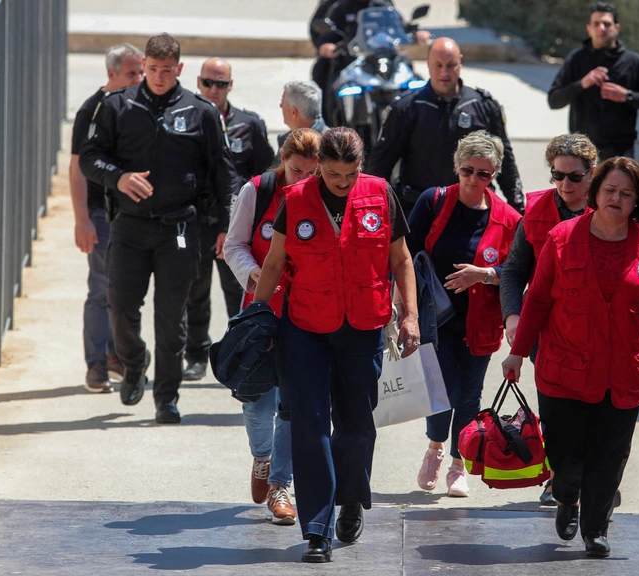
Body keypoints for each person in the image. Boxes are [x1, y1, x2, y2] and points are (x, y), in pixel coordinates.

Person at [501, 157, 639, 558]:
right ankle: (567, 497)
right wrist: (518, 352)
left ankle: (596, 528)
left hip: (623, 372)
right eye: (610, 190)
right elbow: (536, 298)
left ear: (637, 201)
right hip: (564, 370)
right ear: (595, 194)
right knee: (567, 457)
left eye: (626, 193)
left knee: (609, 455)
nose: (617, 199)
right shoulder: (561, 237)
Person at [251, 127, 419, 563]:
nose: (342, 182)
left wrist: (412, 316)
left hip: (362, 326)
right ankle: (318, 527)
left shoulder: (381, 194)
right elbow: (274, 261)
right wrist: (254, 315)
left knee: (356, 423)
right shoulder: (297, 199)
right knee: (309, 423)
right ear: (320, 165)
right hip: (305, 327)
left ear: (361, 166)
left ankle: (350, 498)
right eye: (332, 174)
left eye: (349, 173)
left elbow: (400, 259)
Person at [79, 33, 240, 424]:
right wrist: (118, 178)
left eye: (167, 70)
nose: (158, 76)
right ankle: (134, 363)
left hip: (179, 229)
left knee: (172, 317)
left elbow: (223, 173)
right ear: (145, 67)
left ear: (179, 69)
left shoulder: (199, 111)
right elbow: (89, 159)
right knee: (120, 307)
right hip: (130, 226)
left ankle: (166, 398)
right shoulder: (119, 106)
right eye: (152, 69)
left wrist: (224, 226)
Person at [405, 130, 521, 498]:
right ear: (457, 167)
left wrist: (483, 275)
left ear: (495, 175)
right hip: (434, 320)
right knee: (441, 392)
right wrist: (401, 305)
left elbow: (518, 272)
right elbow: (404, 254)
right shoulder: (433, 202)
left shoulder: (508, 219)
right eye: (468, 170)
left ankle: (459, 465)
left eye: (483, 174)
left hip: (479, 324)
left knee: (469, 395)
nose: (474, 179)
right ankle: (435, 449)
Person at [222, 129, 323, 526]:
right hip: (262, 314)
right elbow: (233, 245)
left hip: (307, 314)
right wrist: (254, 276)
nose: (303, 180)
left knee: (293, 405)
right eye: (296, 170)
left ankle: (281, 484)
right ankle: (261, 457)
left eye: (311, 173)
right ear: (282, 161)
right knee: (257, 404)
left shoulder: (323, 194)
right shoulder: (258, 192)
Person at [498, 133, 597, 506]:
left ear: (592, 174)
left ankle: (595, 477)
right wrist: (512, 317)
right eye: (557, 175)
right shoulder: (536, 210)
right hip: (547, 329)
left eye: (575, 177)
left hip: (595, 326)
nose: (565, 185)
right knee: (556, 408)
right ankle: (558, 478)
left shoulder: (609, 207)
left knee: (594, 410)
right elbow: (513, 271)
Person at [183, 57, 276, 381]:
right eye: (208, 82)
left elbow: (268, 173)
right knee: (195, 291)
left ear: (230, 86)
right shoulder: (187, 118)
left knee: (239, 290)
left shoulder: (248, 124)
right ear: (198, 82)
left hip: (236, 225)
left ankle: (242, 348)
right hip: (196, 220)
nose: (213, 89)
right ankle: (196, 353)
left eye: (220, 84)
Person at [369, 37, 525, 215]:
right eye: (438, 65)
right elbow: (380, 167)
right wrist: (376, 211)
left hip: (473, 211)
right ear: (428, 64)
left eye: (451, 65)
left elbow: (505, 160)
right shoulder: (406, 108)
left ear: (460, 62)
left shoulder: (483, 105)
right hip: (420, 211)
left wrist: (517, 207)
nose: (445, 72)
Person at [69, 43, 143, 392]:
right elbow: (77, 168)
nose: (139, 79)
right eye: (132, 73)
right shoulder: (92, 111)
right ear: (111, 74)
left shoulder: (138, 105)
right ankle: (97, 364)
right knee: (101, 288)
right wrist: (81, 219)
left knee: (125, 291)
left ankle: (118, 356)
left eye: (140, 71)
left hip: (132, 214)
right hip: (101, 213)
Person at [547, 2, 639, 160]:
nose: (601, 28)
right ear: (589, 28)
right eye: (596, 24)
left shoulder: (633, 62)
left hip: (620, 150)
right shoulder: (576, 59)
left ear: (617, 28)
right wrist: (583, 83)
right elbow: (554, 100)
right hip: (581, 150)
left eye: (607, 24)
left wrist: (627, 96)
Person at [278, 80, 329, 151]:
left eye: (282, 102)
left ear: (293, 112)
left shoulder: (327, 149)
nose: (280, 105)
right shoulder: (329, 144)